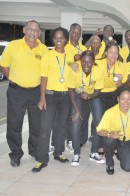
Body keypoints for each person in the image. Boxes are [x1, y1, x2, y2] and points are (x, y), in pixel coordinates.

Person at [0, 20, 48, 167]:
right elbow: (4, 65)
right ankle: (16, 154)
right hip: (16, 92)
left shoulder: (44, 49)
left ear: (39, 33)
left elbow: (44, 74)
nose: (32, 32)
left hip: (35, 91)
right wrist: (14, 79)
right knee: (14, 124)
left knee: (36, 125)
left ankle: (34, 151)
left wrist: (42, 96)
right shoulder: (13, 46)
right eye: (30, 29)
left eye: (35, 30)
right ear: (24, 30)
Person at [31, 27, 72, 172]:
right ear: (53, 39)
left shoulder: (70, 55)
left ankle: (58, 153)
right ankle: (41, 159)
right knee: (45, 127)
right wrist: (42, 98)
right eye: (56, 38)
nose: (59, 40)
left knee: (61, 126)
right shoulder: (48, 56)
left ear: (66, 39)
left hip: (66, 96)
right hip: (50, 95)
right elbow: (44, 77)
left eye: (61, 37)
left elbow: (76, 69)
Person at [67, 50, 105, 166]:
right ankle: (76, 153)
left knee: (99, 122)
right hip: (77, 96)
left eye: (89, 62)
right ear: (80, 61)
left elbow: (98, 92)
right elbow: (71, 91)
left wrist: (89, 96)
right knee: (76, 121)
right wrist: (77, 111)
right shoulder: (74, 70)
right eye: (83, 62)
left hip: (93, 95)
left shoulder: (98, 72)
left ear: (93, 62)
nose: (86, 65)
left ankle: (94, 152)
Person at [97, 86, 130, 175]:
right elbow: (99, 130)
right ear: (118, 99)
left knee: (128, 168)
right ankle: (109, 163)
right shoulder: (110, 112)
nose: (126, 102)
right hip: (114, 139)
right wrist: (110, 134)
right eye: (123, 99)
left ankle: (119, 153)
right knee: (109, 141)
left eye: (129, 99)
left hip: (127, 140)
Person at [64, 23, 87, 152]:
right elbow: (62, 63)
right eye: (74, 32)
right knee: (62, 116)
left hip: (76, 89)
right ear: (70, 31)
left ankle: (71, 141)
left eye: (79, 33)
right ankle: (57, 142)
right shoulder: (63, 47)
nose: (76, 34)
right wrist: (71, 62)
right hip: (63, 87)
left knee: (74, 115)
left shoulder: (83, 49)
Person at [97, 41, 126, 111]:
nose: (114, 55)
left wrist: (120, 82)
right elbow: (85, 62)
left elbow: (121, 86)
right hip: (99, 93)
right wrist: (76, 64)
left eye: (116, 53)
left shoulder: (122, 66)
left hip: (114, 94)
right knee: (99, 119)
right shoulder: (97, 64)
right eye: (111, 52)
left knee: (112, 118)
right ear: (106, 53)